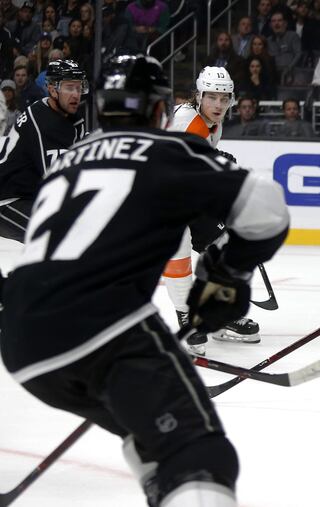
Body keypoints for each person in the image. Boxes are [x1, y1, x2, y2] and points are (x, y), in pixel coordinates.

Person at [0, 52, 290, 506]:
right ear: (159, 109)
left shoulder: (71, 159)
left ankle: (162, 482)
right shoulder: (168, 149)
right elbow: (268, 209)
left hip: (20, 338)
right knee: (201, 454)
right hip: (102, 327)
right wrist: (228, 276)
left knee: (148, 429)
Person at [167, 66, 262, 353]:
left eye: (224, 98)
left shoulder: (213, 124)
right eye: (212, 97)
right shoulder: (186, 120)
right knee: (178, 248)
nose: (218, 104)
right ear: (199, 96)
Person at [0, 60, 87, 243]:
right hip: (8, 201)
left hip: (32, 198)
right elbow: (56, 179)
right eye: (69, 87)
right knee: (62, 236)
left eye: (79, 88)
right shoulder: (40, 119)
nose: (76, 94)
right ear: (52, 89)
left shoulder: (75, 120)